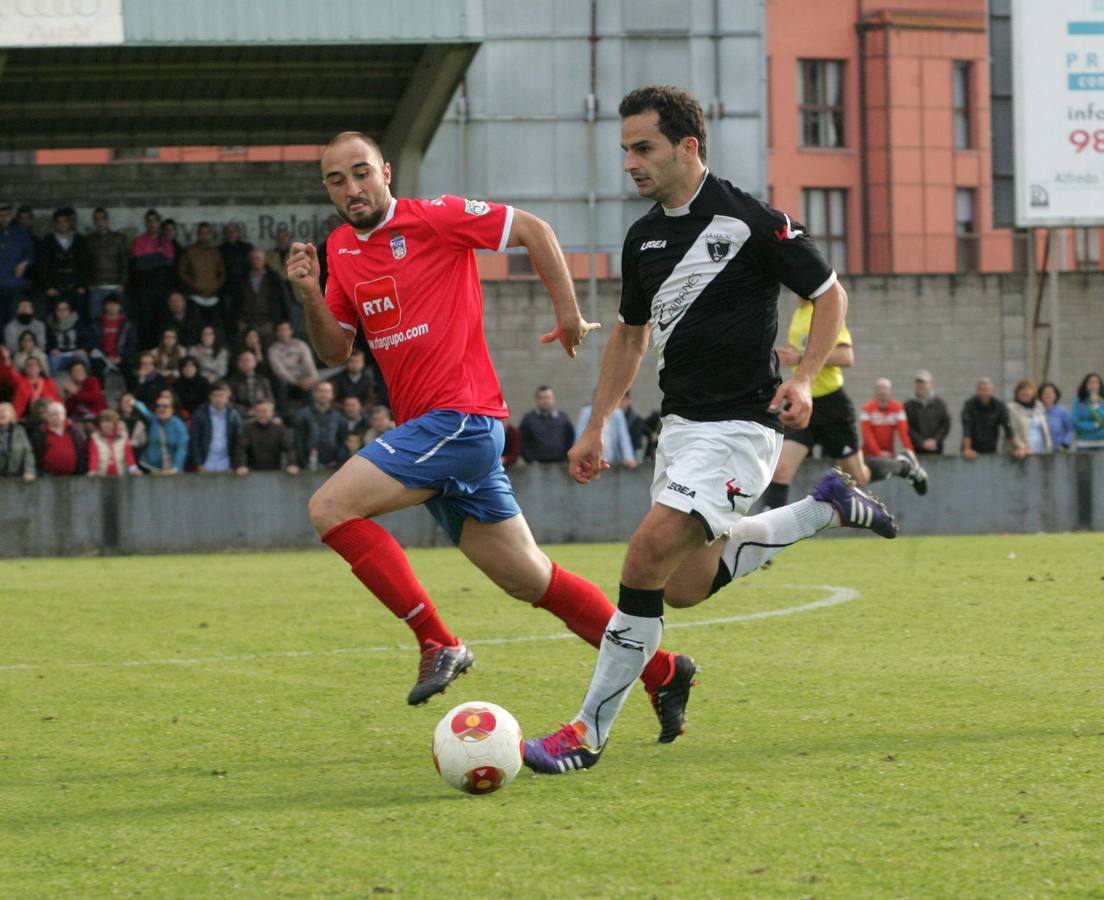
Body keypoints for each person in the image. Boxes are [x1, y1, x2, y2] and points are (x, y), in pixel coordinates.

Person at [522, 85, 901, 775]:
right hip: (681, 430)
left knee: (642, 559)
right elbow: (631, 337)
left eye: (644, 148)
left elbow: (830, 294)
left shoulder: (752, 220)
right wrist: (597, 424)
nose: (631, 162)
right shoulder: (643, 237)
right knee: (683, 586)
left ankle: (586, 731)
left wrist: (805, 375)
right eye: (626, 150)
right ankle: (825, 508)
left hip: (742, 427)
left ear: (687, 146)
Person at [287, 130, 692, 730]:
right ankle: (663, 671)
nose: (353, 188)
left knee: (331, 507)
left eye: (361, 172)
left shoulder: (436, 219)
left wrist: (567, 312)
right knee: (533, 581)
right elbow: (333, 350)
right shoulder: (342, 249)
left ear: (387, 173)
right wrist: (310, 295)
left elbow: (533, 229)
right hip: (438, 436)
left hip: (461, 419)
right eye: (337, 180)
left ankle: (437, 642)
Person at [763, 297, 926, 510]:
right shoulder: (799, 312)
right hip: (804, 401)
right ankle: (767, 537)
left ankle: (904, 466)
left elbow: (846, 356)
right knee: (780, 470)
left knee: (859, 477)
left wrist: (800, 357)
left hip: (833, 406)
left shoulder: (824, 310)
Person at [130, 209, 175, 348]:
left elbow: (169, 262)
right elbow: (139, 264)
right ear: (146, 223)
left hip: (161, 289)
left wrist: (150, 258)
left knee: (161, 323)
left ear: (159, 222)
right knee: (145, 323)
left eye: (155, 220)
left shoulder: (166, 242)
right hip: (144, 289)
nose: (152, 223)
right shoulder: (139, 241)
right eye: (149, 220)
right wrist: (158, 256)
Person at [38, 207, 89, 317]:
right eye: (59, 221)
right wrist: (48, 286)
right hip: (56, 286)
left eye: (65, 221)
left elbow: (85, 264)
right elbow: (43, 265)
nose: (62, 224)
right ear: (55, 224)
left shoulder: (80, 240)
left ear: (69, 222)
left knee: (77, 316)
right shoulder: (48, 240)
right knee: (55, 317)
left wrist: (82, 285)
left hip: (75, 286)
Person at [961, 377, 1026, 459]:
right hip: (971, 449)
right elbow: (967, 428)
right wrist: (967, 449)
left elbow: (1008, 426)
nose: (984, 393)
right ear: (977, 391)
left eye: (987, 390)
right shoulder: (969, 405)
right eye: (981, 390)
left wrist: (1019, 447)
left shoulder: (999, 405)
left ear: (992, 391)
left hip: (990, 449)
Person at [177, 221, 226, 328]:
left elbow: (222, 273)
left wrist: (215, 286)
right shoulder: (190, 251)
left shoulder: (215, 252)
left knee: (213, 329)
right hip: (195, 298)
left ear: (210, 235)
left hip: (213, 297)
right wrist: (194, 285)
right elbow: (182, 272)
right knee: (196, 327)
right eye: (201, 233)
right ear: (197, 234)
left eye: (207, 233)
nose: (204, 235)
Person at [860, 377, 919, 465]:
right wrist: (878, 453)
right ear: (875, 391)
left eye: (885, 388)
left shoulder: (898, 408)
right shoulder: (867, 409)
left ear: (890, 391)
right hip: (869, 455)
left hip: (889, 454)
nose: (882, 391)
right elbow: (867, 434)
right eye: (879, 388)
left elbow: (903, 433)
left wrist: (911, 453)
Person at [188, 381, 243, 473]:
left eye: (221, 395)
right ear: (210, 397)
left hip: (226, 462)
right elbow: (194, 440)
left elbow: (238, 441)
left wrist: (235, 464)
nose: (218, 399)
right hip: (206, 462)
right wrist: (198, 463)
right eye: (215, 395)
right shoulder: (199, 415)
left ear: (227, 396)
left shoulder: (234, 415)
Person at [86, 208, 129, 322]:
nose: (100, 221)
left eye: (103, 218)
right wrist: (90, 282)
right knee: (95, 321)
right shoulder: (90, 240)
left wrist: (123, 282)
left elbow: (125, 261)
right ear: (94, 221)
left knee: (118, 321)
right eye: (97, 219)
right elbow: (86, 263)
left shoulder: (119, 238)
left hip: (116, 286)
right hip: (97, 286)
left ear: (108, 220)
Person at [235, 247, 288, 340]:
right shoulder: (241, 278)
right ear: (249, 260)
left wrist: (283, 319)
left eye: (259, 258)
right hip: (245, 321)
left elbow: (282, 300)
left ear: (264, 260)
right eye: (254, 258)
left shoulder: (273, 279)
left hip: (267, 322)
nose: (256, 261)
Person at [292, 380, 346, 470]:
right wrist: (303, 463)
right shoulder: (302, 414)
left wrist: (338, 462)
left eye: (327, 391)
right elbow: (298, 441)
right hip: (308, 465)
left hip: (333, 466)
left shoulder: (339, 417)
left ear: (332, 395)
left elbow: (342, 442)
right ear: (314, 394)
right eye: (320, 391)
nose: (323, 394)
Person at [267, 319, 318, 411]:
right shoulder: (273, 349)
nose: (283, 333)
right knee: (279, 382)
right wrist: (296, 381)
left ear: (291, 331)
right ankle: (284, 413)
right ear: (277, 333)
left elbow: (309, 363)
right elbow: (279, 370)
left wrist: (312, 378)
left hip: (302, 377)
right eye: (280, 330)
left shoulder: (301, 345)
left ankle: (310, 411)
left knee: (311, 384)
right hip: (286, 379)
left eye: (285, 330)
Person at [132, 394, 188, 474]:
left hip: (171, 470)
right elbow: (143, 409)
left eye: (165, 406)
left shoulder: (179, 425)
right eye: (158, 406)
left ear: (172, 409)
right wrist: (133, 401)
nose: (161, 408)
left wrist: (176, 467)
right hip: (149, 467)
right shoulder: (152, 419)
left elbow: (182, 448)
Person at [577, 396, 638, 469]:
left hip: (613, 461)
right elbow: (580, 435)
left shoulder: (617, 413)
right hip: (591, 462)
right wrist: (579, 458)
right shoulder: (586, 412)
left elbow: (624, 437)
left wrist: (629, 457)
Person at [29, 400, 88, 476]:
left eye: (59, 414)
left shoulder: (75, 431)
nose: (57, 417)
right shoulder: (39, 433)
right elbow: (36, 456)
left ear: (64, 415)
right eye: (53, 414)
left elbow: (83, 452)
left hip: (74, 476)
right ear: (47, 416)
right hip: (48, 478)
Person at [239, 399, 299, 473]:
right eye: (258, 411)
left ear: (272, 412)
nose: (262, 414)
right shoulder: (248, 429)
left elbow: (289, 448)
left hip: (275, 471)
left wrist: (291, 464)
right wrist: (242, 465)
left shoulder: (280, 429)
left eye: (264, 411)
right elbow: (241, 449)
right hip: (252, 472)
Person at [89, 294, 139, 383]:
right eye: (109, 304)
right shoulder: (96, 323)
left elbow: (132, 344)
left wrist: (120, 357)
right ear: (104, 306)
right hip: (103, 357)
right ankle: (100, 393)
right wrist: (106, 356)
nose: (112, 307)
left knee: (130, 369)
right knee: (96, 366)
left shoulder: (128, 324)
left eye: (115, 304)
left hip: (122, 357)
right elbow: (94, 342)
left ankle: (131, 395)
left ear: (120, 306)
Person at [519, 385, 575, 463]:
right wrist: (530, 460)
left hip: (560, 465)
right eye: (541, 398)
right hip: (537, 466)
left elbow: (570, 438)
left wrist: (566, 457)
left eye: (547, 397)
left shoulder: (563, 419)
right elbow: (522, 441)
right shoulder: (528, 420)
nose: (545, 401)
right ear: (537, 400)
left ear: (553, 398)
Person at [0, 203, 36, 325]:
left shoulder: (20, 234)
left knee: (12, 317)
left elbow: (31, 253)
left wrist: (25, 263)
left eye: (7, 215)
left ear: (11, 217)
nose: (4, 218)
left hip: (15, 284)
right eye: (1, 216)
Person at [904, 369, 951, 456]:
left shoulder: (940, 404)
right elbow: (908, 427)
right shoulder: (908, 405)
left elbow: (945, 425)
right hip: (916, 451)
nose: (920, 385)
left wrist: (935, 440)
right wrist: (921, 442)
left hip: (937, 451)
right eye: (918, 383)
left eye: (923, 383)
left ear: (931, 384)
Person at [87, 408, 142, 477]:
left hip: (120, 477)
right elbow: (94, 456)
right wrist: (92, 470)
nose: (106, 424)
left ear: (115, 423)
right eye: (103, 422)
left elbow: (129, 457)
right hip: (101, 477)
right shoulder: (94, 437)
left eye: (109, 421)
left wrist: (134, 470)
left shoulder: (124, 436)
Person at [44, 299, 91, 377]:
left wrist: (84, 349)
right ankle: (52, 385)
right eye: (59, 309)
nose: (62, 312)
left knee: (84, 358)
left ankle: (87, 384)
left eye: (65, 309)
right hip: (59, 355)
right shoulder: (50, 324)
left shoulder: (79, 323)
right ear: (55, 311)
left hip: (76, 353)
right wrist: (52, 349)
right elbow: (47, 342)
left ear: (69, 311)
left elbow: (88, 339)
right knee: (53, 360)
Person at [226, 347, 276, 419]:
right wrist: (247, 411)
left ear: (255, 363)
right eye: (242, 361)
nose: (245, 363)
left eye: (248, 360)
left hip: (262, 412)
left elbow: (270, 400)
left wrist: (261, 409)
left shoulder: (263, 380)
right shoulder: (231, 382)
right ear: (238, 364)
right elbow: (230, 403)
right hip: (242, 413)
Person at [1007, 378, 1051, 454]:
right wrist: (1021, 447)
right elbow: (1011, 431)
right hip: (1023, 452)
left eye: (1028, 390)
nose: (1026, 393)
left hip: (1042, 450)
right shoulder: (1011, 408)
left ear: (1033, 393)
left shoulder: (1039, 406)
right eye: (1022, 390)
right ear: (1017, 393)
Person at [0, 401, 36, 480]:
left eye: (4, 410)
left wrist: (29, 471)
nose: (1, 413)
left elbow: (27, 452)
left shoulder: (19, 430)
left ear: (11, 415)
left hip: (16, 476)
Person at [1072, 372, 1104, 450]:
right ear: (1085, 385)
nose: (1093, 385)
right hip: (1083, 443)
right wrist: (1094, 425)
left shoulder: (1102, 402)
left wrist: (1095, 405)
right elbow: (1075, 422)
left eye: (1096, 383)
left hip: (1101, 442)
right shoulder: (1079, 402)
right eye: (1090, 383)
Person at [1038, 382, 1073, 451]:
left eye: (1051, 393)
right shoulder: (1036, 411)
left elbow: (1070, 429)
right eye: (1045, 393)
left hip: (1058, 449)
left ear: (1056, 395)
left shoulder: (1062, 411)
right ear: (1040, 396)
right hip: (1039, 449)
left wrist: (1064, 443)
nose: (1048, 395)